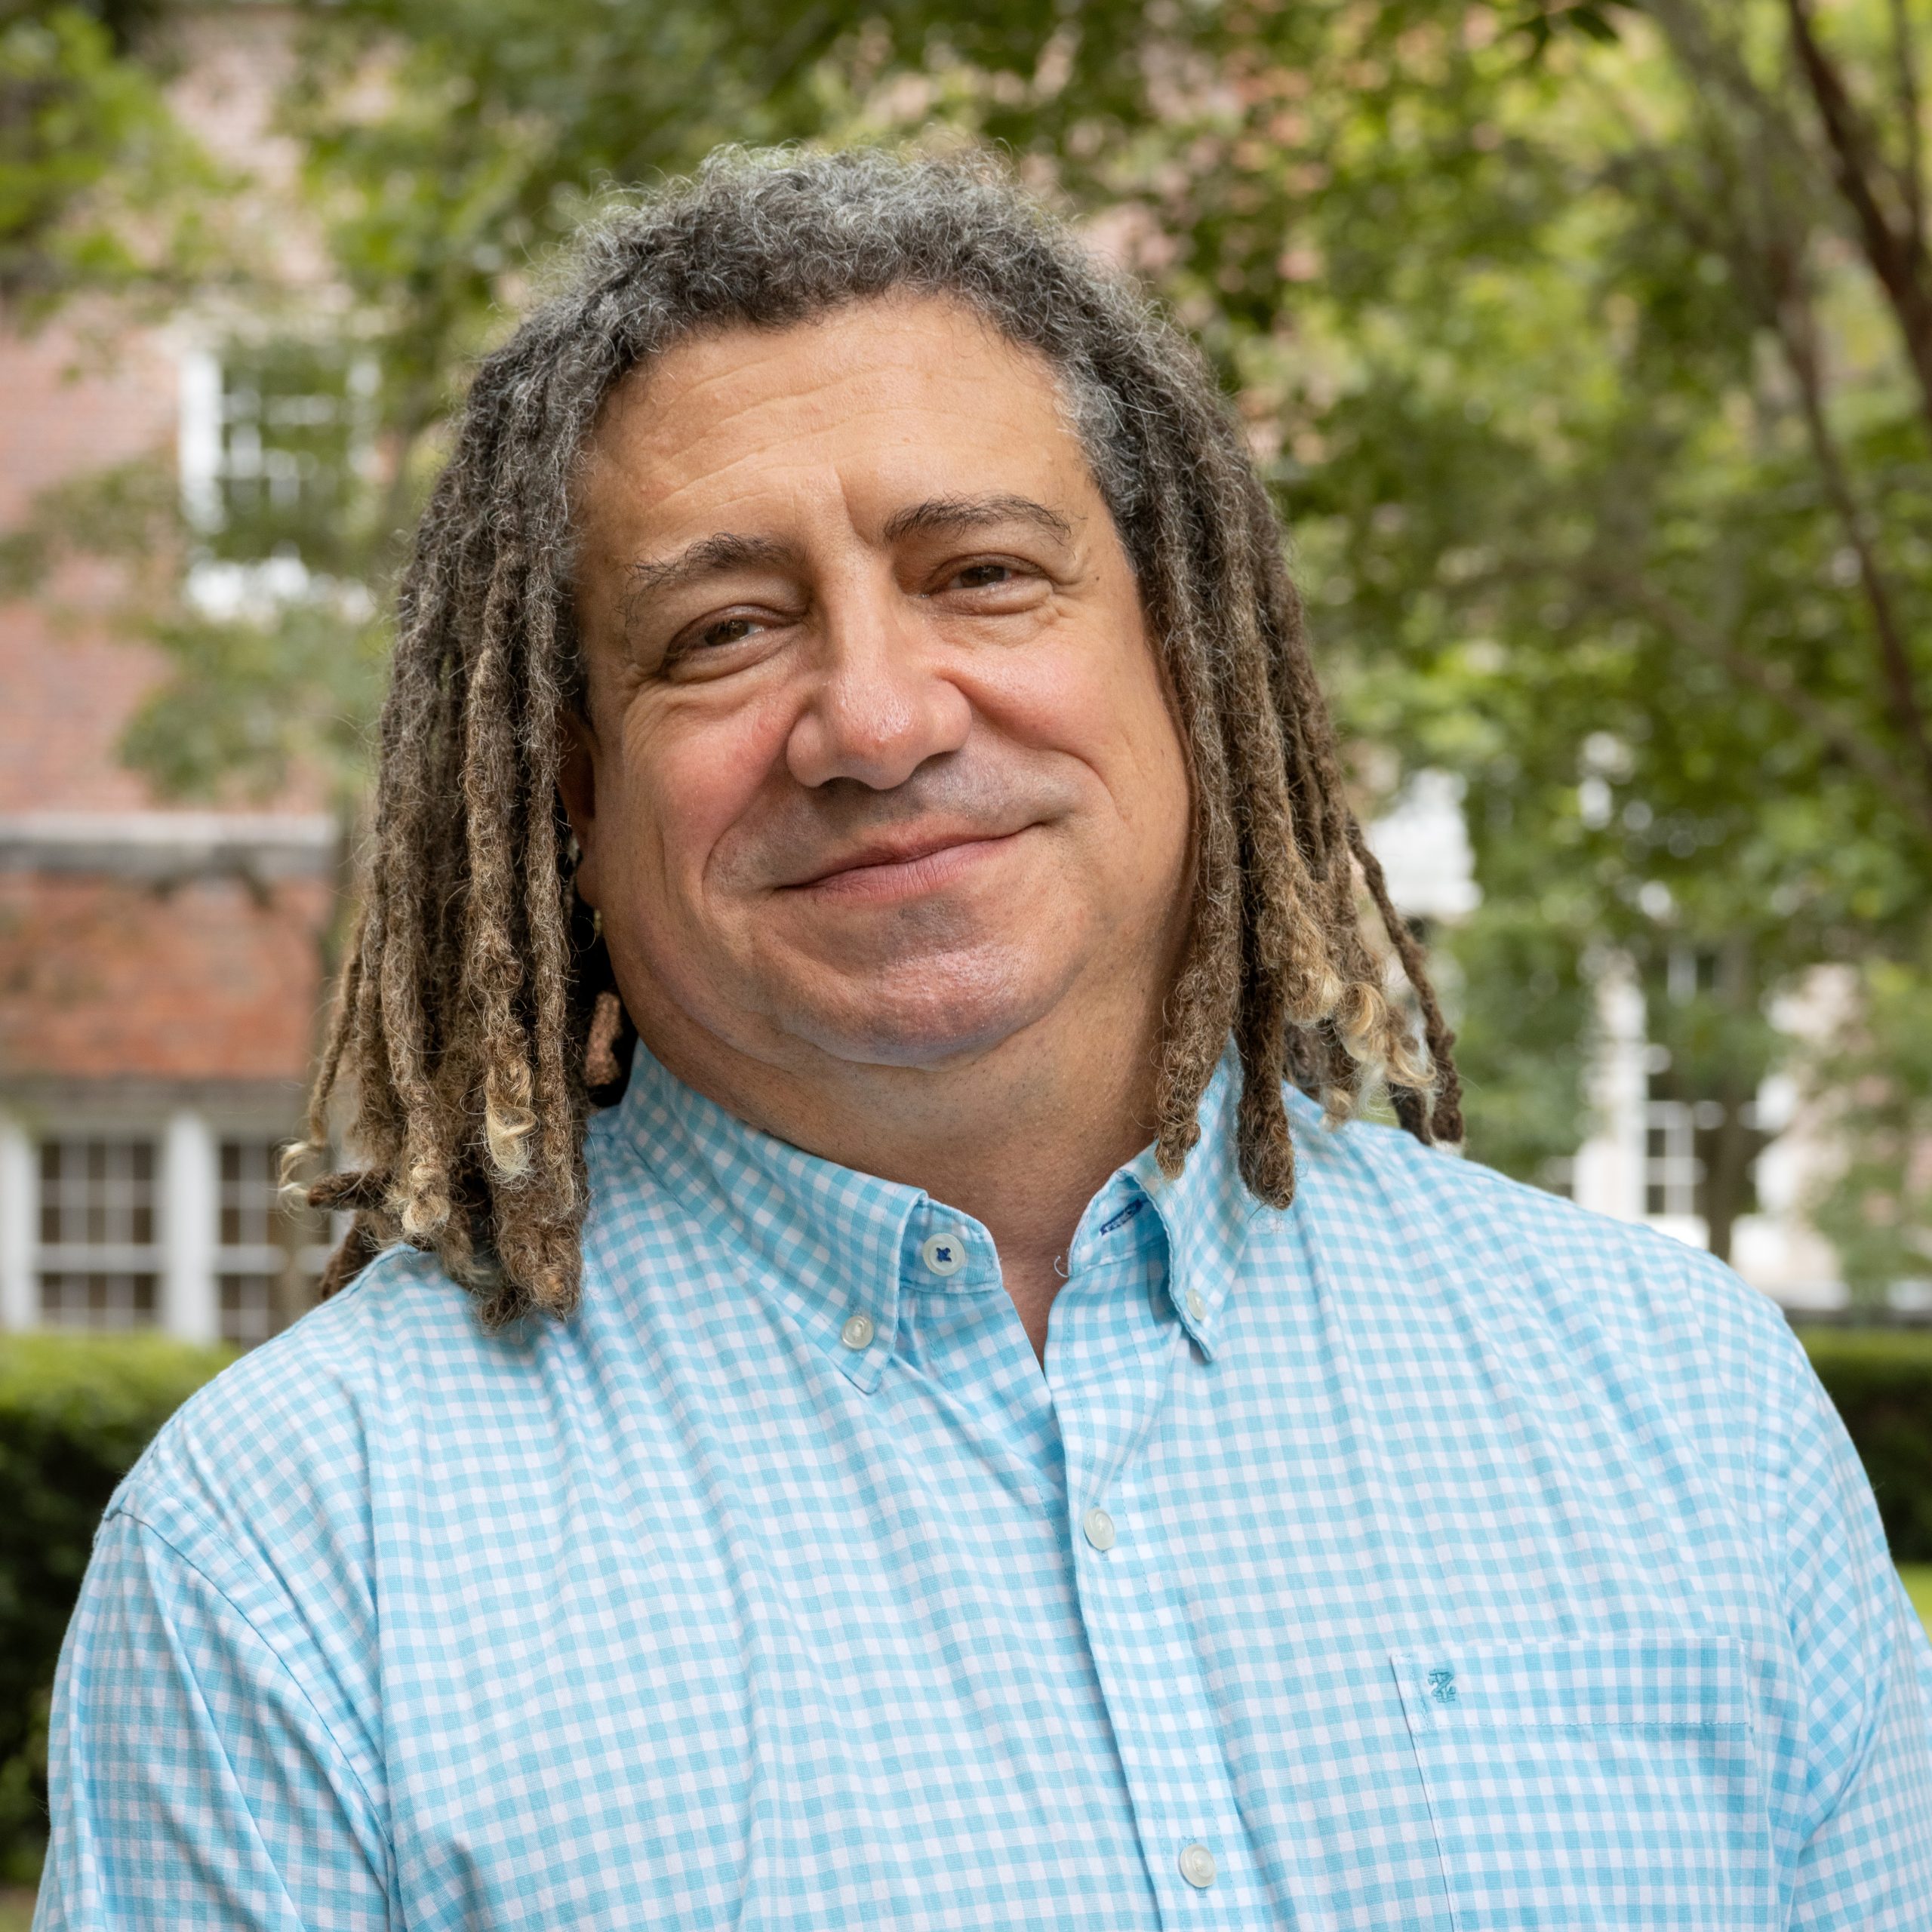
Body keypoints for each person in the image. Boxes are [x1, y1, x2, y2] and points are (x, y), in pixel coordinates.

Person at [38, 149, 1932, 1930]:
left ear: (1183, 652)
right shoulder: (289, 1556)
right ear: (565, 785)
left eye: (981, 575)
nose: (872, 716)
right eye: (720, 630)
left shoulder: (1684, 1406)